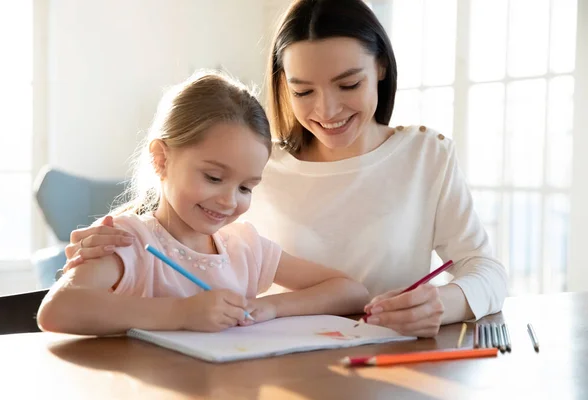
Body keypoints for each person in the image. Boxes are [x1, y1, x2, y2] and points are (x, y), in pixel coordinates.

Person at [61, 0, 507, 338]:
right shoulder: (254, 164)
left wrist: (443, 302)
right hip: (265, 366)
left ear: (382, 68)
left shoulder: (427, 155)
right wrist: (99, 239)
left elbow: (484, 268)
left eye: (348, 84)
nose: (326, 110)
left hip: (392, 362)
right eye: (303, 91)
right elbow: (171, 217)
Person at [36, 71, 370, 336]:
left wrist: (269, 307)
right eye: (213, 177)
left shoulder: (244, 249)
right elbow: (57, 310)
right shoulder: (130, 241)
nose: (228, 200)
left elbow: (350, 292)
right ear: (161, 159)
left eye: (245, 187)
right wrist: (180, 313)